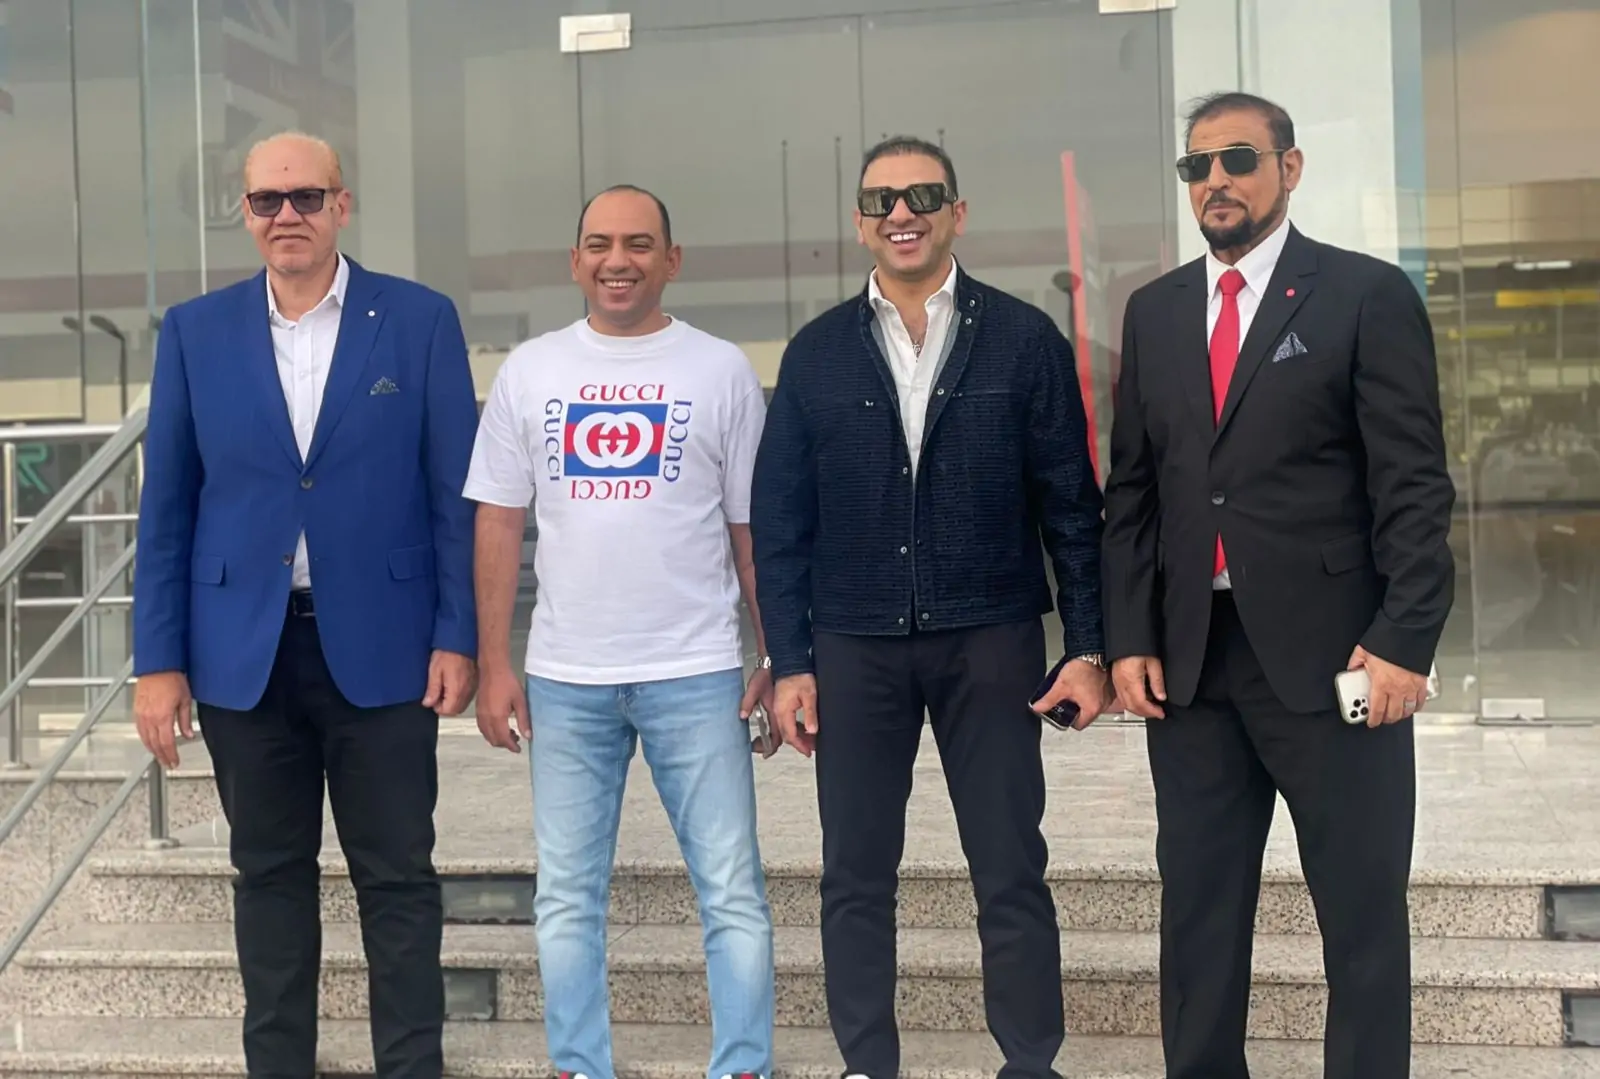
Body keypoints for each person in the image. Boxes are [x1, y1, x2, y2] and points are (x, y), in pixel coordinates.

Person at [1101, 91, 1454, 1079]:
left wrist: (1404, 639)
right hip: (1191, 667)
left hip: (1340, 659)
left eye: (1238, 159)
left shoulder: (1363, 294)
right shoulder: (1156, 311)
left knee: (1361, 914)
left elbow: (1413, 486)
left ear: (1288, 169)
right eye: (1197, 166)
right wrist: (1128, 635)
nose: (1215, 181)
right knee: (1198, 914)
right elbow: (1133, 490)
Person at [749, 136, 1113, 1079]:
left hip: (990, 637)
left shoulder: (1025, 339)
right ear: (859, 223)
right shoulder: (817, 353)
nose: (901, 213)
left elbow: (1072, 507)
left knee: (1010, 867)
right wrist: (791, 660)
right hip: (853, 644)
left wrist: (1088, 646)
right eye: (881, 200)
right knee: (854, 877)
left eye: (921, 195)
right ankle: (867, 1065)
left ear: (958, 212)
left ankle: (1029, 1063)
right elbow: (781, 523)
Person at [131, 131, 480, 1079]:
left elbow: (454, 495)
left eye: (307, 197)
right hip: (242, 656)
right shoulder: (195, 332)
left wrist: (458, 634)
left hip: (386, 650)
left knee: (398, 880)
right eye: (267, 200)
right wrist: (157, 660)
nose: (287, 215)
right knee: (269, 880)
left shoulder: (418, 320)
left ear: (342, 204)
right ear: (245, 213)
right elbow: (167, 508)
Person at [467, 184, 777, 1079]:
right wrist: (494, 663)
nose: (618, 260)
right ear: (575, 261)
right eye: (599, 243)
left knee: (731, 890)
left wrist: (776, 655)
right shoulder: (530, 370)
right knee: (566, 897)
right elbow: (498, 524)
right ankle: (579, 1066)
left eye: (639, 244)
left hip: (698, 670)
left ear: (671, 260)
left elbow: (752, 530)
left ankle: (742, 1067)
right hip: (566, 676)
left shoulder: (719, 370)